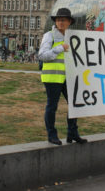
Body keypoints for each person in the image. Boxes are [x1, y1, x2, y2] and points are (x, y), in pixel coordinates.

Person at [38, 8, 87, 145]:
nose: (60, 22)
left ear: (69, 22)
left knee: (75, 105)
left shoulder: (72, 37)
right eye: (58, 20)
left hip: (68, 78)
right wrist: (60, 48)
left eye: (63, 20)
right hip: (53, 78)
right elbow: (42, 55)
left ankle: (72, 133)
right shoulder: (50, 36)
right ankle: (51, 135)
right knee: (52, 106)